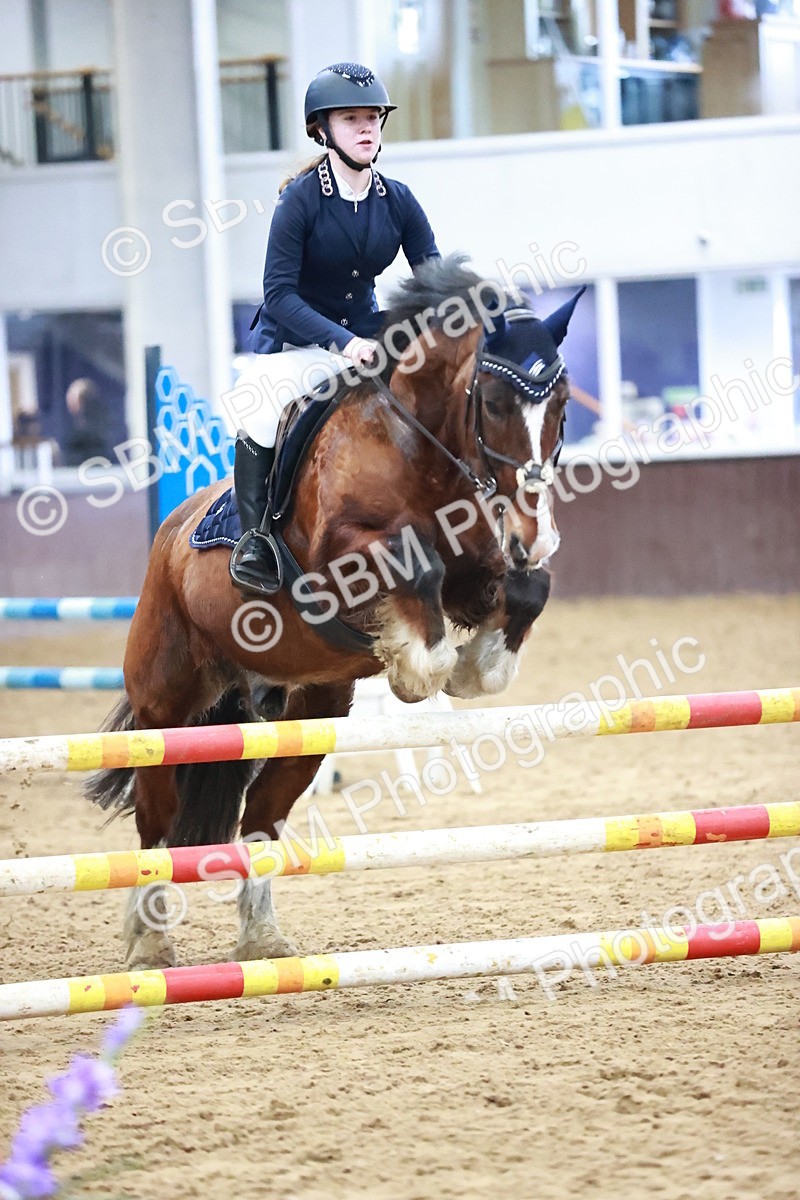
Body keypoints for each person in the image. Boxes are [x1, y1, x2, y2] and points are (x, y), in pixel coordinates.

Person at [231, 61, 440, 593]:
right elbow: (278, 296)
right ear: (322, 130)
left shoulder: (398, 200)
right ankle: (255, 539)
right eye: (351, 119)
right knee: (257, 402)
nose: (367, 128)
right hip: (296, 342)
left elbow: (435, 281)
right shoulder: (298, 202)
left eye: (373, 117)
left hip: (367, 338)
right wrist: (344, 342)